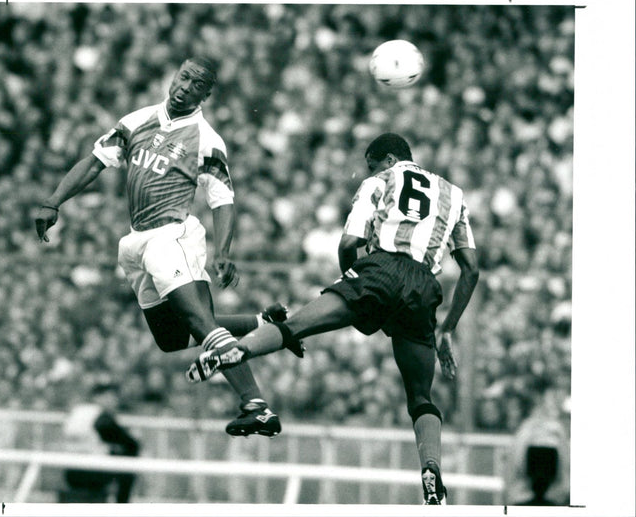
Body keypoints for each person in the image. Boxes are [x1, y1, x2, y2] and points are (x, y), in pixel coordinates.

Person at [187, 133, 480, 505]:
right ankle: (432, 470)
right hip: (424, 285)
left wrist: (353, 288)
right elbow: (471, 270)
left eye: (372, 164)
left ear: (386, 160)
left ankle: (236, 350)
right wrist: (448, 328)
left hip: (379, 269)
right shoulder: (453, 194)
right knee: (420, 396)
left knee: (293, 326)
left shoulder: (379, 180)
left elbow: (347, 244)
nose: (370, 170)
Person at [35, 57, 288, 437]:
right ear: (174, 76)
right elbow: (94, 163)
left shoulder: (206, 139)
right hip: (135, 243)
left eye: (197, 83)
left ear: (206, 94)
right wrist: (54, 200)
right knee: (172, 339)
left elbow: (223, 199)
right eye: (184, 76)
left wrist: (223, 252)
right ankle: (263, 325)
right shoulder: (137, 120)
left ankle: (256, 406)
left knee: (201, 324)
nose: (186, 85)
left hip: (172, 237)